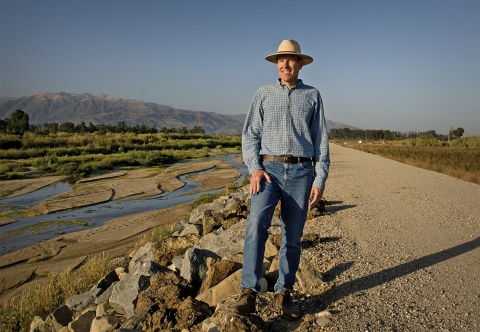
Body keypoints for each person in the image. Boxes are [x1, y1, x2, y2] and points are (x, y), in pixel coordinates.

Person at [229, 39, 330, 320]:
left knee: (293, 237)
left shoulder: (313, 96)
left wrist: (320, 178)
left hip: (301, 172)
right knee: (255, 225)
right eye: (280, 60)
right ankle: (249, 292)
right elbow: (250, 134)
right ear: (277, 64)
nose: (285, 64)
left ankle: (284, 293)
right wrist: (255, 168)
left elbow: (321, 139)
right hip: (269, 171)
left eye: (290, 59)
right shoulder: (263, 94)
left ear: (299, 63)